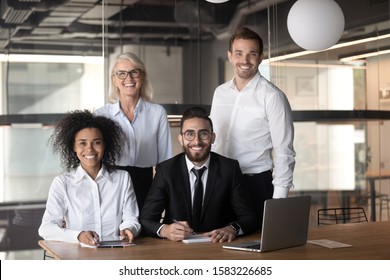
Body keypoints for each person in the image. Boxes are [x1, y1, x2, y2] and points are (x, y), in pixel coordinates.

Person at [209, 26, 296, 228]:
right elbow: (214, 139)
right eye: (239, 53)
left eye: (252, 54)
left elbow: (284, 151)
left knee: (255, 243)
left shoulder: (272, 96)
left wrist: (279, 202)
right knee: (216, 243)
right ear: (230, 56)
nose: (245, 60)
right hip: (219, 182)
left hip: (255, 184)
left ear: (260, 57)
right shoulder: (220, 93)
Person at [140, 107, 257, 243]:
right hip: (176, 249)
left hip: (218, 246)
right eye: (190, 134)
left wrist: (232, 229)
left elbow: (249, 217)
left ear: (212, 138)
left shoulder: (230, 169)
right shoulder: (166, 170)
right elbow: (146, 219)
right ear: (181, 139)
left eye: (203, 134)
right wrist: (165, 230)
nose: (197, 141)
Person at [38, 110, 141, 246]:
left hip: (116, 255)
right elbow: (46, 229)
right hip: (78, 257)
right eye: (82, 143)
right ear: (74, 146)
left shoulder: (123, 179)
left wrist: (129, 229)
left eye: (96, 142)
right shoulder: (62, 183)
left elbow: (131, 218)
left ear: (104, 145)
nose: (90, 149)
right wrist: (79, 236)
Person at [95, 52, 173, 211]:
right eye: (121, 74)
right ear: (114, 79)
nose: (128, 78)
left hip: (146, 185)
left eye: (134, 72)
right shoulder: (101, 115)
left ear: (142, 77)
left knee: (144, 232)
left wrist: (164, 196)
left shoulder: (157, 112)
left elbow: (166, 162)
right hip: (110, 185)